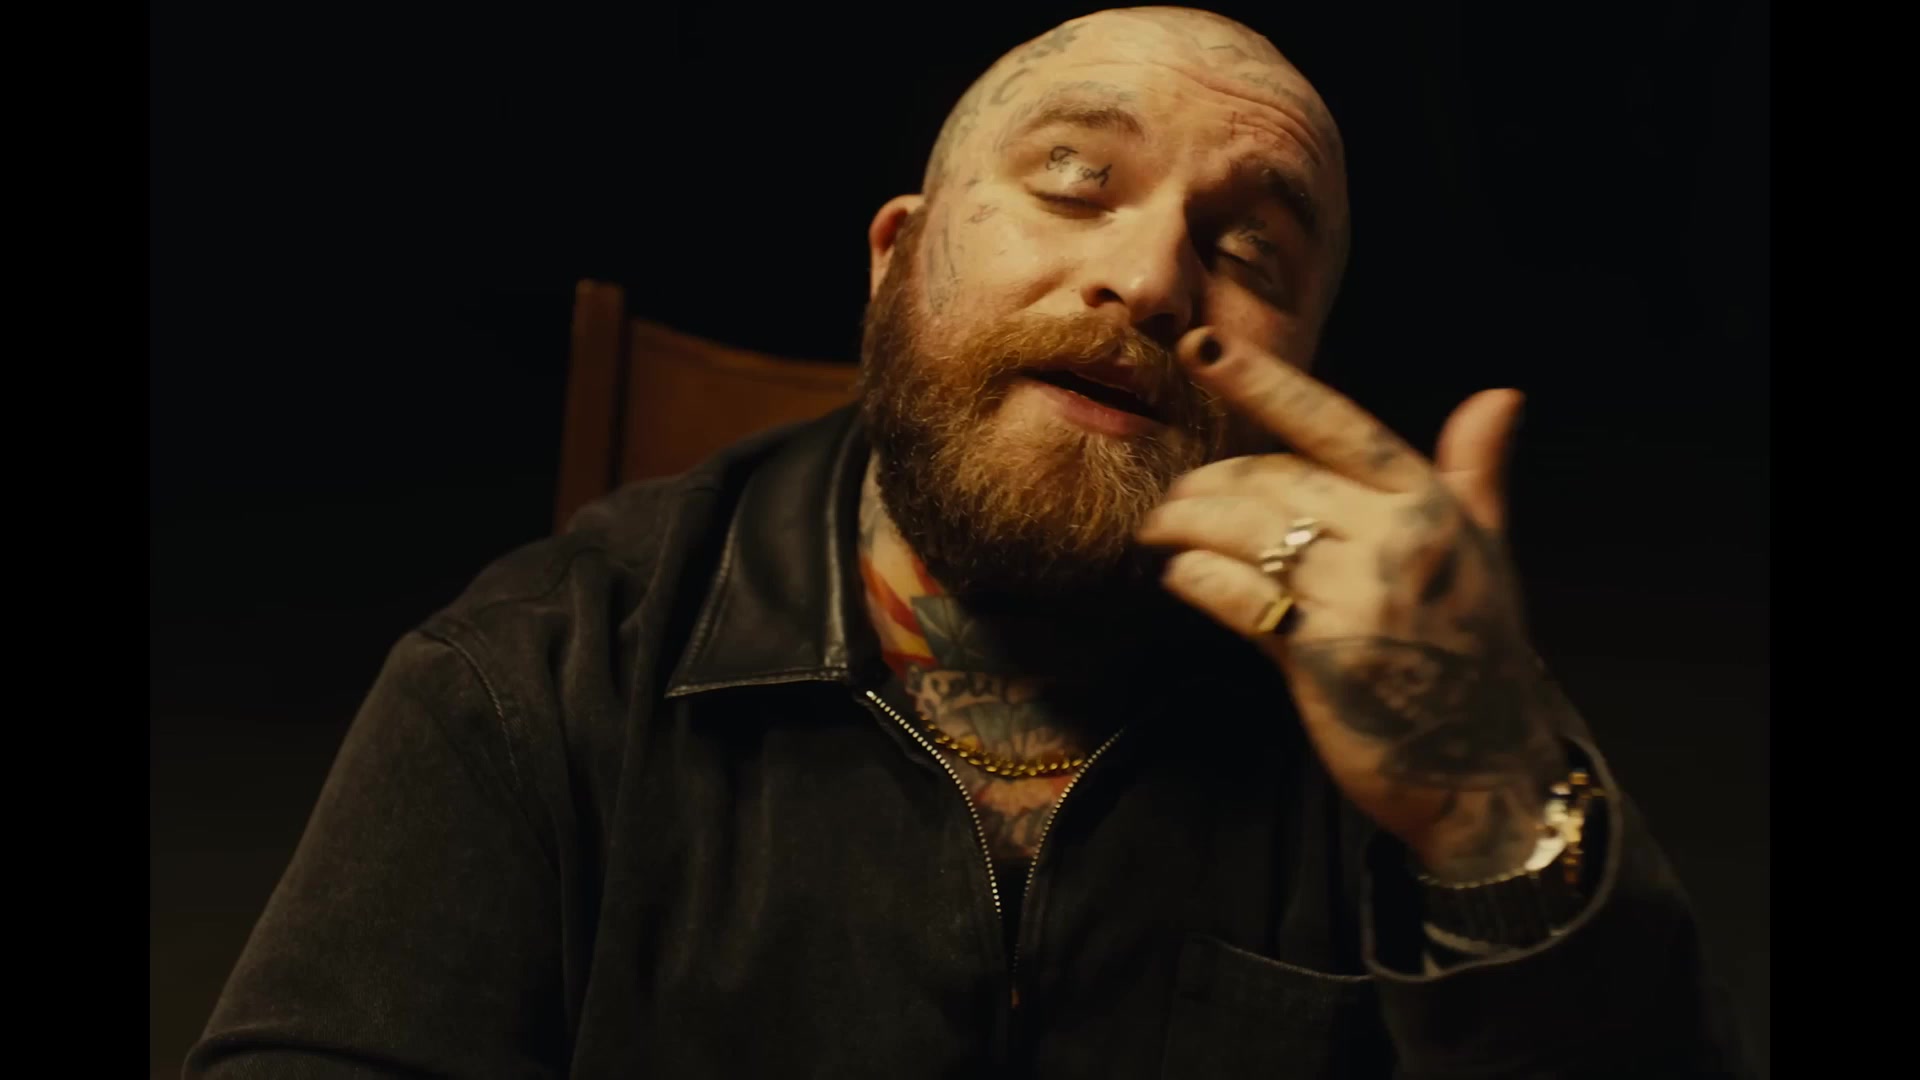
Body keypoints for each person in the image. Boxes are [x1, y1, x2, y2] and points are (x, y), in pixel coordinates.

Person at [187, 7, 1753, 1077]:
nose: (1151, 277)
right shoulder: (531, 676)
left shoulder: (1419, 689)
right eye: (1074, 183)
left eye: (1251, 250)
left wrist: (1488, 812)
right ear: (900, 258)